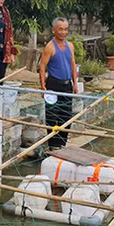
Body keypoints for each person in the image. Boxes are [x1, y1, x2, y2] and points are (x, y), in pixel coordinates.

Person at [39, 17, 79, 150]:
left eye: (66, 29)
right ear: (54, 30)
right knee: (52, 115)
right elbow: (43, 67)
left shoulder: (70, 46)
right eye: (60, 29)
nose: (63, 32)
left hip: (67, 84)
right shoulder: (50, 47)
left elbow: (73, 64)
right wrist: (43, 86)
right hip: (53, 84)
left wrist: (75, 82)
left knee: (66, 115)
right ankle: (52, 145)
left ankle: (62, 144)